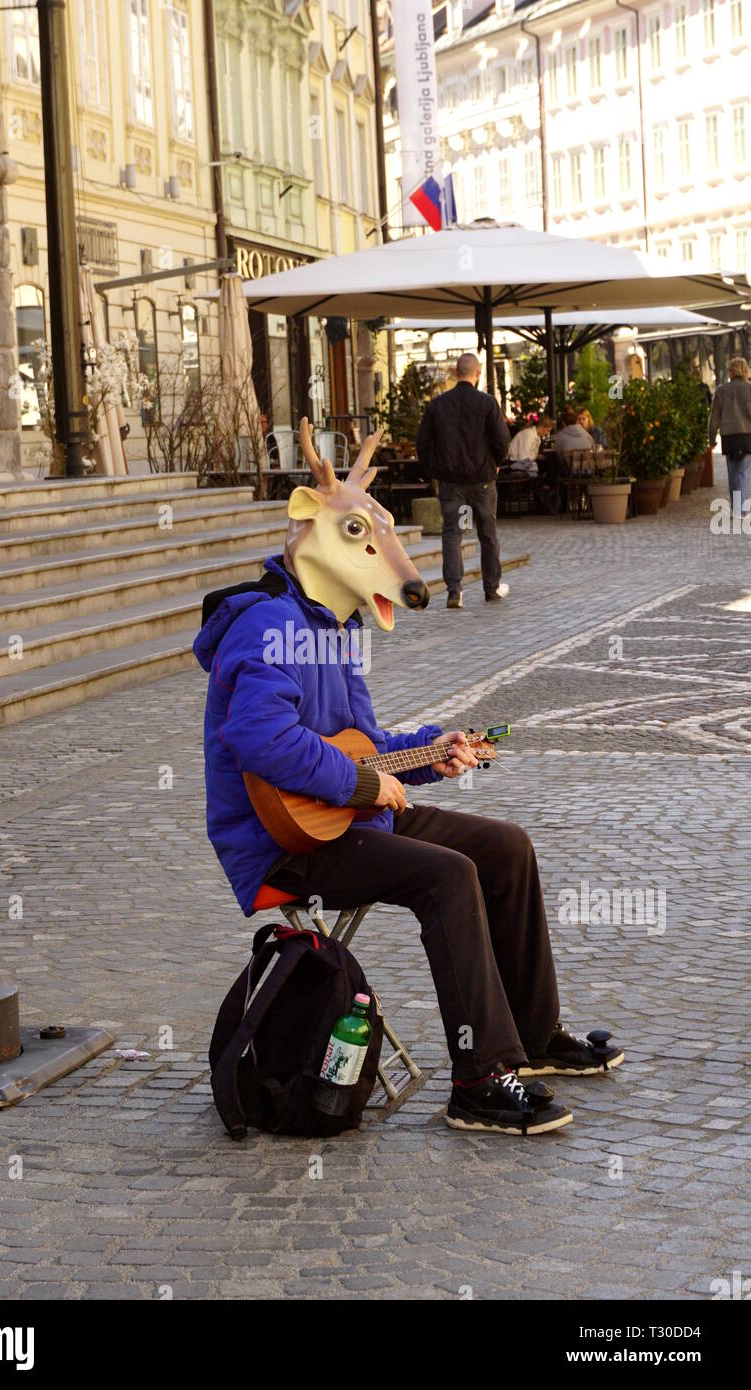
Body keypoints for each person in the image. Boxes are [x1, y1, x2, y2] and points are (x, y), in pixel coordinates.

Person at [195, 418, 625, 1138]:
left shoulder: (335, 630)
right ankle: (480, 1078)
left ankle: (535, 1034)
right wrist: (365, 788)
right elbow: (260, 739)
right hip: (286, 841)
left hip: (349, 814)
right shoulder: (263, 625)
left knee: (507, 847)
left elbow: (367, 744)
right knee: (449, 876)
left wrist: (435, 750)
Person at [415, 353, 511, 611]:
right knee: (488, 533)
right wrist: (496, 463)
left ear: (455, 373)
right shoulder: (487, 403)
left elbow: (422, 444)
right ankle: (491, 588)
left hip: (451, 482)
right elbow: (502, 439)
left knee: (453, 534)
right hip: (482, 480)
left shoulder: (438, 405)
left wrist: (435, 469)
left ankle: (454, 591)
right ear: (477, 374)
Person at [709, 356, 751, 519]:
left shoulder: (721, 390)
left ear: (732, 372)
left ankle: (736, 508)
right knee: (743, 473)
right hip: (747, 436)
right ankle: (740, 509)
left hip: (729, 438)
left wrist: (712, 439)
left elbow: (714, 418)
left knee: (733, 474)